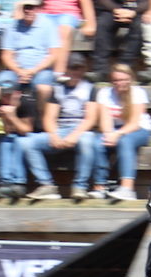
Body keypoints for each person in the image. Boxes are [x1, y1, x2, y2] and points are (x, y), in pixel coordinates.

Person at [24, 53, 99, 200]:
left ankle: (80, 186)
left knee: (87, 141)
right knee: (29, 143)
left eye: (79, 68)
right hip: (62, 128)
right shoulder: (57, 89)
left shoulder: (90, 88)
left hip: (81, 129)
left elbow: (90, 119)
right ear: (66, 70)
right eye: (72, 68)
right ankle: (46, 185)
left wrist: (75, 135)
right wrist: (53, 135)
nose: (76, 72)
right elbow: (49, 117)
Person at [95, 63, 151, 201]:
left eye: (122, 80)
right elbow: (105, 120)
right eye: (116, 80)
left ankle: (127, 188)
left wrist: (117, 134)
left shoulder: (138, 92)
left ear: (130, 79)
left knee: (125, 141)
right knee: (97, 142)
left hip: (140, 128)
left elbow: (134, 123)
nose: (119, 83)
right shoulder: (104, 93)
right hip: (116, 129)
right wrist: (109, 134)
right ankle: (100, 186)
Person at [0, 0, 60, 100]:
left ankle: (41, 114)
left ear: (38, 9)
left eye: (32, 7)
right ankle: (13, 111)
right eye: (26, 7)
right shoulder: (12, 27)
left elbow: (53, 55)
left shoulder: (48, 25)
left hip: (41, 70)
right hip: (16, 71)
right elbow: (6, 55)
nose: (29, 11)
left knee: (44, 89)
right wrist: (19, 71)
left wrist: (33, 71)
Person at [0, 84, 37, 199]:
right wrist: (5, 118)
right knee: (5, 142)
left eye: (9, 95)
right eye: (4, 96)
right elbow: (8, 131)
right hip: (16, 135)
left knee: (18, 141)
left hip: (35, 135)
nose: (7, 99)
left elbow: (26, 130)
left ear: (17, 94)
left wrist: (12, 117)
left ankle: (18, 183)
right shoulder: (1, 104)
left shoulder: (26, 103)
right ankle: (5, 182)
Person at [39, 0, 95, 82]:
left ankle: (58, 72)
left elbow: (86, 3)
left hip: (68, 13)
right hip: (46, 13)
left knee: (64, 30)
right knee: (37, 28)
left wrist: (91, 23)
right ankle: (37, 70)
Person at [92, 0, 144, 78]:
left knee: (140, 27)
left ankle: (125, 67)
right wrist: (116, 9)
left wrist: (135, 11)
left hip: (140, 10)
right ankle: (100, 69)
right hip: (111, 9)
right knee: (103, 25)